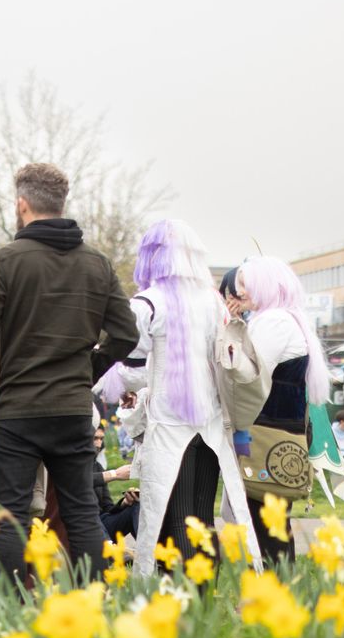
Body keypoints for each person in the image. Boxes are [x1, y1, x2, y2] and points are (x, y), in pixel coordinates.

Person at [0, 163, 139, 585]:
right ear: (62, 203)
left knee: (10, 514)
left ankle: (11, 601)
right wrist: (88, 368)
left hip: (15, 409)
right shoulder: (97, 264)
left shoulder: (5, 261)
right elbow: (126, 333)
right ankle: (93, 597)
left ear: (21, 204)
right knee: (81, 510)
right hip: (72, 408)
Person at [106, 220, 263, 574]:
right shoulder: (212, 302)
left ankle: (183, 596)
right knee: (200, 517)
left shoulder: (147, 303)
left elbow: (131, 367)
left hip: (168, 422)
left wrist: (126, 387)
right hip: (210, 422)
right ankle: (202, 595)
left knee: (173, 517)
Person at [225, 256, 331, 562]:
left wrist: (230, 330)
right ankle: (278, 582)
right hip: (282, 433)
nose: (239, 291)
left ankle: (273, 584)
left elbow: (248, 375)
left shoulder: (274, 322)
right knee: (271, 523)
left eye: (245, 284)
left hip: (265, 433)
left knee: (265, 525)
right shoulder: (288, 319)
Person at [93, 425, 139, 540]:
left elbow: (107, 508)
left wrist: (124, 502)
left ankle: (149, 548)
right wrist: (115, 474)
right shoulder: (73, 465)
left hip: (102, 523)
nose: (99, 444)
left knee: (136, 506)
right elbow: (80, 481)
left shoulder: (97, 466)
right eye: (95, 438)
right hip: (86, 523)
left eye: (101, 439)